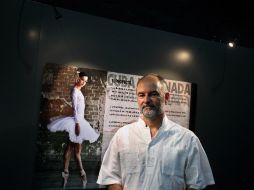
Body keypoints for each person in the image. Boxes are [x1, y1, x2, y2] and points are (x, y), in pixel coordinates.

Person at [97, 73, 215, 190]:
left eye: (153, 94)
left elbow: (196, 183)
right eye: (141, 95)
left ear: (166, 97)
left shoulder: (187, 139)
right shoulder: (122, 135)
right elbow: (111, 177)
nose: (146, 100)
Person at [47, 71, 100, 188]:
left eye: (85, 81)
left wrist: (79, 122)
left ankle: (67, 175)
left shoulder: (79, 91)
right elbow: (75, 109)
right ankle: (82, 175)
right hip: (77, 122)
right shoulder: (75, 91)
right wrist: (77, 124)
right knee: (76, 151)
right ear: (78, 78)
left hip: (80, 121)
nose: (84, 83)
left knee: (71, 148)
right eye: (82, 80)